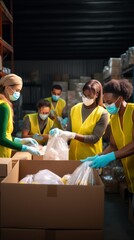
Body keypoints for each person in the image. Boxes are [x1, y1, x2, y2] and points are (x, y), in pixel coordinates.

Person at [81, 79, 134, 199]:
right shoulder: (113, 119)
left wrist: (111, 157)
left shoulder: (132, 112)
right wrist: (99, 156)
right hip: (130, 175)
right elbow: (113, 145)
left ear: (120, 99)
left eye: (109, 102)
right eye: (105, 102)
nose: (106, 105)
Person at [50, 79, 109, 160]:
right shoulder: (74, 109)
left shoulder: (102, 113)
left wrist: (74, 135)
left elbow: (94, 138)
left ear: (96, 95)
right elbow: (69, 131)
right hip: (73, 157)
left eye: (89, 96)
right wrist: (60, 136)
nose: (86, 98)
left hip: (90, 158)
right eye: (84, 95)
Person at [0, 73, 41, 157]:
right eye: (17, 90)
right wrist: (25, 148)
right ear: (7, 88)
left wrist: (19, 140)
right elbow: (1, 139)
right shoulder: (3, 107)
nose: (18, 93)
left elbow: (5, 134)